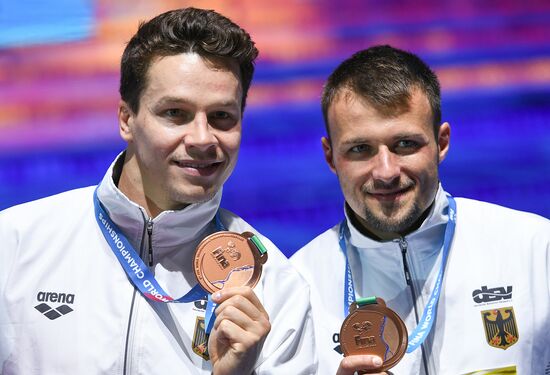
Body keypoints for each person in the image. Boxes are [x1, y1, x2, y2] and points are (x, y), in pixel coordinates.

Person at [0, 8, 316, 374]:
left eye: (221, 117)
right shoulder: (17, 244)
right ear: (126, 119)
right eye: (175, 113)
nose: (202, 139)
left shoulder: (276, 287)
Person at [291, 45, 550, 375]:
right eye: (360, 149)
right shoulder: (299, 287)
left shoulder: (535, 250)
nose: (386, 171)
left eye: (405, 145)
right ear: (330, 157)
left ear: (441, 143)